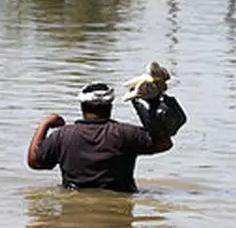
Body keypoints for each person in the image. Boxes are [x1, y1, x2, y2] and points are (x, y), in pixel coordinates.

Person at [27, 82, 174, 192]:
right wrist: (149, 104)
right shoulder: (126, 134)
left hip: (75, 207)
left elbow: (34, 161)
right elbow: (164, 143)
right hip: (118, 210)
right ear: (110, 106)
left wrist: (45, 123)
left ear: (82, 106)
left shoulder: (62, 135)